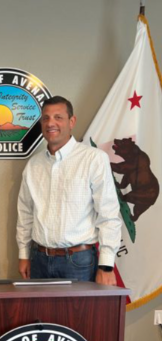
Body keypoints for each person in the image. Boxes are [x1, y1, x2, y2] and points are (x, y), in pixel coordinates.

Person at [16, 96, 121, 286]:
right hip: (38, 259)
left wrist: (106, 266)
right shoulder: (33, 165)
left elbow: (108, 214)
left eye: (58, 117)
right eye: (46, 118)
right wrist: (24, 254)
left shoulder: (93, 159)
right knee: (39, 316)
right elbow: (25, 214)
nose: (51, 123)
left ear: (72, 122)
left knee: (80, 317)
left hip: (78, 262)